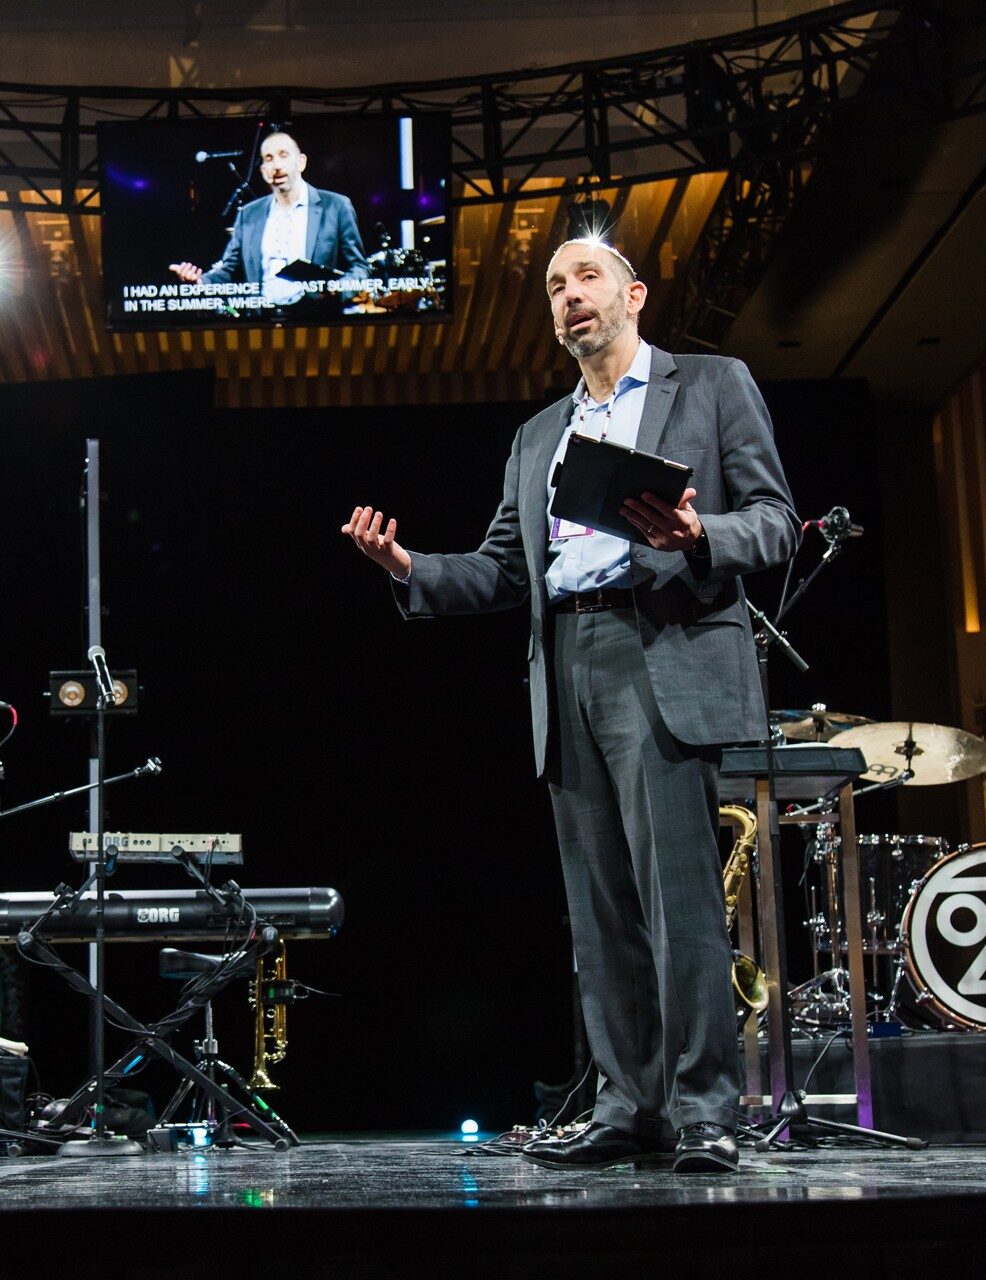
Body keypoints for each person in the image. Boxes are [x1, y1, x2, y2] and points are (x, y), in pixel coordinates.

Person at [341, 238, 796, 1174]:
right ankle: (631, 1106)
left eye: (585, 277)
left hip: (660, 648)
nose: (568, 295)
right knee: (601, 916)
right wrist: (409, 568)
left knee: (679, 906)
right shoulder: (539, 435)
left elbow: (776, 520)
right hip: (567, 664)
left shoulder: (709, 385)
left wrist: (699, 530)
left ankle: (706, 1109)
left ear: (632, 294)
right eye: (553, 285)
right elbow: (505, 570)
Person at [169, 129, 368, 306]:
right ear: (264, 171)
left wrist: (337, 290)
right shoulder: (249, 214)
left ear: (301, 162)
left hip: (316, 319)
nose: (277, 165)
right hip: (262, 322)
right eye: (269, 158)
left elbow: (359, 268)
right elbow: (227, 271)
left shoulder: (336, 206)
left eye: (284, 155)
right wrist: (200, 282)